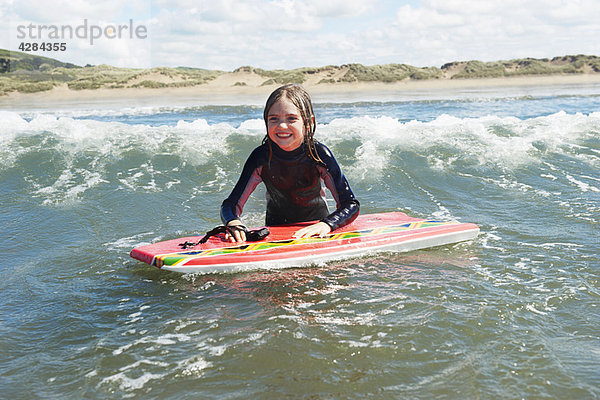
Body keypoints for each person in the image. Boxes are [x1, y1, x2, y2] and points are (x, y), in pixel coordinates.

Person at [220, 84, 360, 242]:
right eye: (274, 119)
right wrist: (233, 223)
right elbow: (230, 204)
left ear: (308, 122)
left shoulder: (319, 154)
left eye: (291, 118)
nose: (282, 126)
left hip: (316, 227)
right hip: (275, 231)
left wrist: (327, 224)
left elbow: (350, 204)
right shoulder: (261, 157)